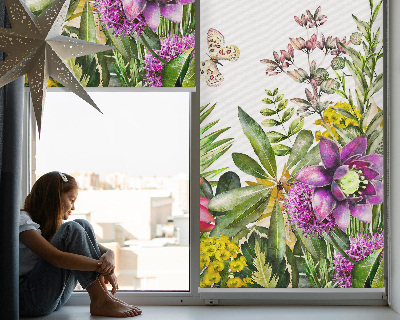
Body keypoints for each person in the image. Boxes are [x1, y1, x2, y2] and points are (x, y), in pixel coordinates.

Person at [19, 171, 142, 317]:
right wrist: (102, 268)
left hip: (52, 299)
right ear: (55, 198)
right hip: (28, 301)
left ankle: (104, 298)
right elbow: (56, 258)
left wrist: (110, 254)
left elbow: (93, 248)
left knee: (81, 224)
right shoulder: (23, 221)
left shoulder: (49, 225)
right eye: (71, 200)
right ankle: (101, 301)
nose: (73, 207)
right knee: (72, 228)